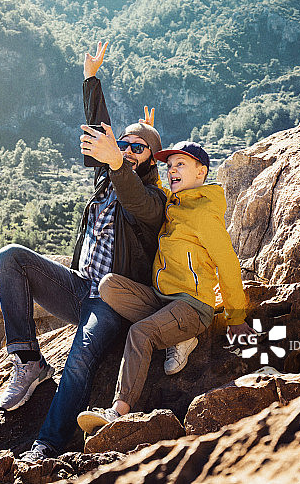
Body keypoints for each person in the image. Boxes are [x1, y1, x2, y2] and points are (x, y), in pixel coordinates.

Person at [0, 41, 167, 461]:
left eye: (136, 148)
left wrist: (120, 161)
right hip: (79, 287)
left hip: (112, 300)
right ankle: (29, 361)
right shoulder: (108, 179)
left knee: (80, 357)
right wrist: (91, 81)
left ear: (151, 159)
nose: (125, 150)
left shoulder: (153, 199)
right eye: (122, 145)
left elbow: (134, 197)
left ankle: (47, 443)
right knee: (10, 257)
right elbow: (102, 133)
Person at [76, 141, 256, 434]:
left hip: (193, 306)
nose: (172, 170)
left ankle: (118, 411)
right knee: (110, 286)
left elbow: (228, 264)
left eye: (180, 165)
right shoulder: (176, 203)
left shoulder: (204, 213)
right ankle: (177, 336)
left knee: (140, 333)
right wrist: (147, 133)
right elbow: (154, 186)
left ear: (202, 172)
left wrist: (236, 318)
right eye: (169, 166)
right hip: (164, 300)